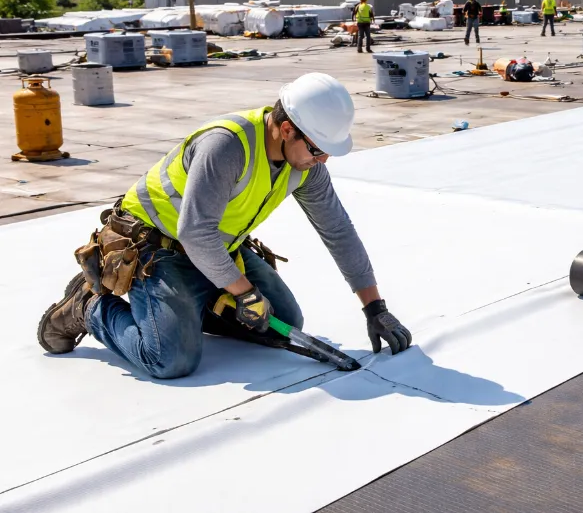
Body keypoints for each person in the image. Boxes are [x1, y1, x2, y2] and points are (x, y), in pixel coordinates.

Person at [37, 73, 413, 378]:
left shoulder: (306, 165)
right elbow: (194, 233)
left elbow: (338, 231)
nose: (322, 159)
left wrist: (374, 307)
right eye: (317, 149)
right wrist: (245, 292)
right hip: (157, 247)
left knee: (283, 323)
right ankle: (88, 307)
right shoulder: (227, 146)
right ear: (286, 130)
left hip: (218, 249)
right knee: (172, 360)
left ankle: (192, 304)